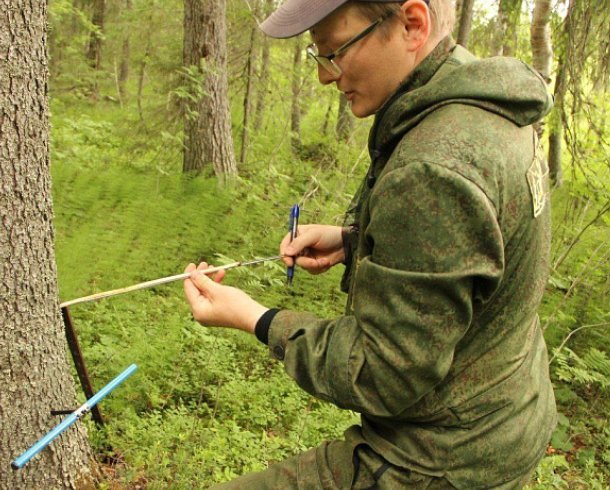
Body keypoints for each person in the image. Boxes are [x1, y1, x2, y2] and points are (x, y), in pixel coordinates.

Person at [182, 0, 556, 488]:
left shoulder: (434, 167)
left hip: (438, 458)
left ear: (411, 24)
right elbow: (475, 253)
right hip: (508, 416)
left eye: (334, 52)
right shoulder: (484, 107)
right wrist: (357, 241)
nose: (324, 77)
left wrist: (257, 318)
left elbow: (383, 373)